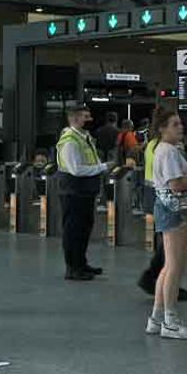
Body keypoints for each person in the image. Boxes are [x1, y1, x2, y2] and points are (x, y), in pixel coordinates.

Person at [142, 108, 187, 340]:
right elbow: (176, 185)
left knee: (168, 266)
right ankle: (171, 321)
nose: (181, 127)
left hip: (166, 209)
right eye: (175, 124)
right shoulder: (167, 152)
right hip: (173, 210)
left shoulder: (163, 149)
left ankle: (157, 318)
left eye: (180, 123)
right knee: (175, 266)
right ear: (162, 128)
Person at [55, 105, 104, 281]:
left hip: (85, 191)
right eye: (86, 116)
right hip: (73, 191)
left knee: (84, 228)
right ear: (75, 119)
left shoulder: (84, 137)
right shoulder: (69, 140)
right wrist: (103, 167)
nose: (89, 119)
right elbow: (76, 169)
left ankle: (81, 263)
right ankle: (72, 268)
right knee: (73, 230)